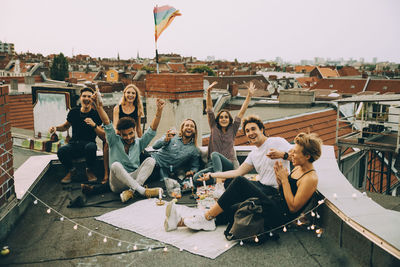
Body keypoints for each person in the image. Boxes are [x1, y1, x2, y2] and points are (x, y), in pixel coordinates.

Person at [165, 132, 322, 232]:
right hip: (275, 203)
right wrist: (281, 181)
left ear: (307, 156)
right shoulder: (298, 168)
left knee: (240, 182)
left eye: (295, 153)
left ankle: (205, 218)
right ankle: (180, 222)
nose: (291, 155)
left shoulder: (310, 177)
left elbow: (293, 208)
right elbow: (285, 193)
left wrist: (284, 180)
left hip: (280, 215)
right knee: (233, 207)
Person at [93, 89, 166, 203]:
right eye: (124, 135)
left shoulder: (139, 143)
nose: (128, 137)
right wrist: (99, 107)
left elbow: (152, 129)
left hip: (134, 180)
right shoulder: (114, 140)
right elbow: (107, 122)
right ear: (120, 134)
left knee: (150, 161)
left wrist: (159, 112)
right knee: (115, 165)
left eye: (130, 133)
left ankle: (132, 191)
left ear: (134, 131)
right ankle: (142, 191)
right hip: (117, 184)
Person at [193, 81, 256, 186]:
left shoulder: (233, 128)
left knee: (215, 154)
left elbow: (242, 111)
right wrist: (208, 92)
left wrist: (249, 96)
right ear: (217, 119)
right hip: (213, 165)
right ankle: (221, 179)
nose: (223, 119)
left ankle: (218, 180)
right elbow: (209, 108)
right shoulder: (213, 126)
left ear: (229, 119)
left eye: (226, 117)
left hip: (228, 164)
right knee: (196, 179)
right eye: (221, 117)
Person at [49, 87, 104, 184]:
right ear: (80, 98)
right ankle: (72, 170)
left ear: (92, 99)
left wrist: (94, 125)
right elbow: (65, 126)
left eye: (89, 96)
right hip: (74, 144)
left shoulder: (95, 114)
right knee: (61, 151)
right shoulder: (74, 112)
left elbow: (102, 135)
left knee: (91, 147)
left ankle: (89, 170)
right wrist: (55, 128)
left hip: (88, 145)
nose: (86, 98)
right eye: (84, 96)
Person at [100, 84, 145, 185]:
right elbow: (115, 125)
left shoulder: (137, 108)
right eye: (128, 92)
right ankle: (106, 173)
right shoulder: (118, 108)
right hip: (120, 134)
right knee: (107, 145)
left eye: (133, 93)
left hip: (131, 136)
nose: (130, 95)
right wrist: (118, 138)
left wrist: (141, 142)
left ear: (136, 95)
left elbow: (138, 127)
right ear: (124, 94)